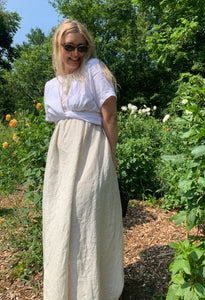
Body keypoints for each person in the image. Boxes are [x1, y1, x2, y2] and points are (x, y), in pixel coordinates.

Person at [42, 19, 124, 300]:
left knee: (88, 219)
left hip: (92, 153)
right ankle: (64, 291)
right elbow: (59, 127)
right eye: (69, 47)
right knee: (60, 221)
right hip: (61, 160)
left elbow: (110, 116)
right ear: (58, 46)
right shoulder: (51, 85)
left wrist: (110, 158)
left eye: (81, 47)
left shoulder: (94, 70)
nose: (75, 53)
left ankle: (95, 291)